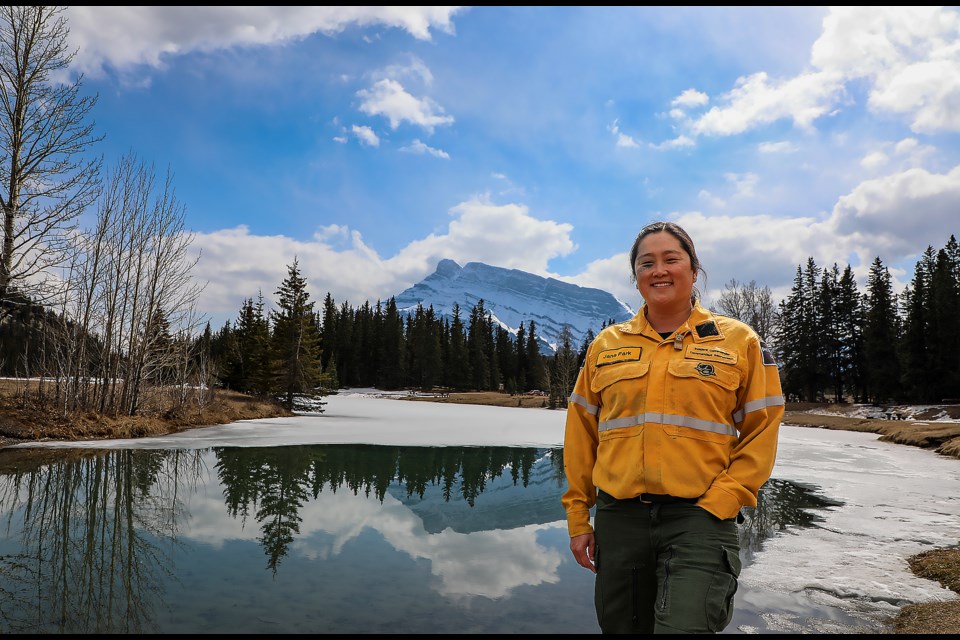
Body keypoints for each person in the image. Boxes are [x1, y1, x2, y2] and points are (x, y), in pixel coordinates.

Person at [561, 221, 783, 634]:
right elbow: (581, 436)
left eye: (670, 259)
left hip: (699, 516)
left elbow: (762, 428)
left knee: (686, 626)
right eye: (647, 263)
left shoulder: (738, 342)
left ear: (693, 270)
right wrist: (579, 518)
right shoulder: (606, 346)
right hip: (619, 518)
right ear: (636, 277)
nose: (658, 270)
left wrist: (726, 499)